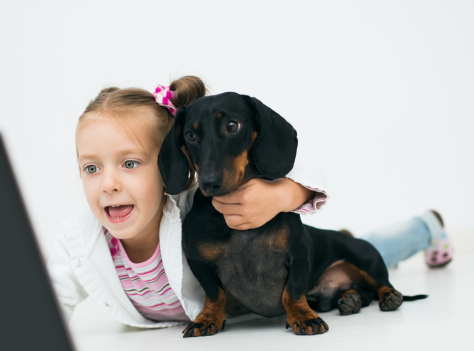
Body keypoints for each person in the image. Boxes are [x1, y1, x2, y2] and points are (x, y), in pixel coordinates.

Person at [47, 75, 454, 330]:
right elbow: (52, 295)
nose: (110, 184)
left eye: (130, 163)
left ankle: (427, 227)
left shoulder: (187, 208)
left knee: (372, 251)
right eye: (91, 168)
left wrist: (284, 194)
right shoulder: (87, 247)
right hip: (256, 298)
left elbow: (314, 170)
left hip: (296, 267)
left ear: (172, 166)